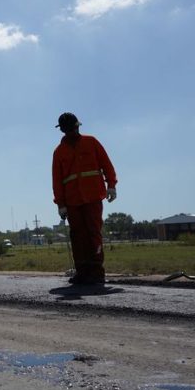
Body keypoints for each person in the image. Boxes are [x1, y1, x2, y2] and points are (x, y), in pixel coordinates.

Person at [52, 112, 117, 285]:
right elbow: (57, 180)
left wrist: (111, 185)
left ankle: (96, 272)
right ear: (64, 131)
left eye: (73, 128)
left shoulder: (91, 142)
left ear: (77, 127)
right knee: (77, 236)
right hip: (72, 200)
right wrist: (61, 204)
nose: (72, 132)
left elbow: (106, 163)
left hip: (93, 196)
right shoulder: (59, 152)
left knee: (93, 233)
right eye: (69, 129)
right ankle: (82, 272)